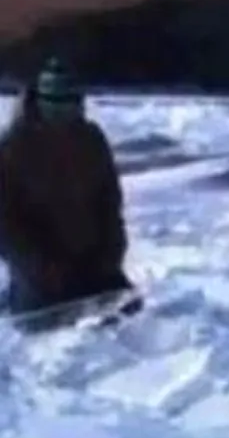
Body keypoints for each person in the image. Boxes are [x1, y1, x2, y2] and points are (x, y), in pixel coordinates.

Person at [0, 58, 138, 329]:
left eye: (71, 103)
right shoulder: (13, 147)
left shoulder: (91, 139)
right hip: (40, 266)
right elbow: (5, 223)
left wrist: (110, 257)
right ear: (41, 100)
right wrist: (39, 267)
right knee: (43, 325)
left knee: (126, 311)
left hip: (91, 259)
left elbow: (109, 204)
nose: (65, 111)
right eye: (57, 103)